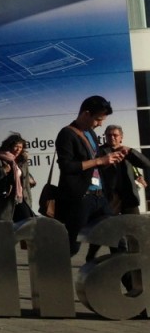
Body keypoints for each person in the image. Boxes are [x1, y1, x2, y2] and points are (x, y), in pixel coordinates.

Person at [55, 96, 126, 256]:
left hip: (100, 198)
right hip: (81, 199)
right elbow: (67, 167)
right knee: (72, 247)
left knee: (118, 240)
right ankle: (48, 274)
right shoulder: (67, 134)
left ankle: (130, 281)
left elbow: (97, 163)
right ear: (86, 114)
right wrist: (100, 160)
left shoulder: (92, 134)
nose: (100, 124)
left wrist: (111, 159)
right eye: (98, 119)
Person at [87, 124, 150, 263]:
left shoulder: (127, 152)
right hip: (110, 197)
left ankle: (136, 257)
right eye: (109, 135)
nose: (112, 137)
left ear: (121, 137)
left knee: (135, 228)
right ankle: (92, 254)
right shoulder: (101, 152)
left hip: (128, 196)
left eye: (115, 135)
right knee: (106, 228)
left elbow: (146, 164)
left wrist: (131, 151)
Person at [0, 134, 30, 222]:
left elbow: (22, 179)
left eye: (21, 147)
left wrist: (30, 180)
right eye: (16, 146)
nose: (19, 149)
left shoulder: (21, 161)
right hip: (4, 202)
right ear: (9, 146)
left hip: (20, 199)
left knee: (27, 225)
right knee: (5, 230)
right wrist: (3, 170)